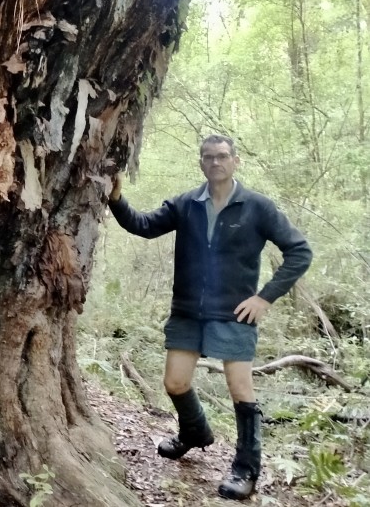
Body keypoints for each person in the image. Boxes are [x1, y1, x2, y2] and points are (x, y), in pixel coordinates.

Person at [107, 134, 312, 500]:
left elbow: (299, 251)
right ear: (201, 163)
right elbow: (143, 225)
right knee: (175, 383)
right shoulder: (187, 203)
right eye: (208, 157)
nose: (215, 162)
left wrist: (264, 298)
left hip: (234, 314)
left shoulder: (257, 207)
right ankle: (195, 431)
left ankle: (246, 468)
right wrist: (116, 198)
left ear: (236, 161)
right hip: (187, 312)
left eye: (222, 156)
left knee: (241, 389)